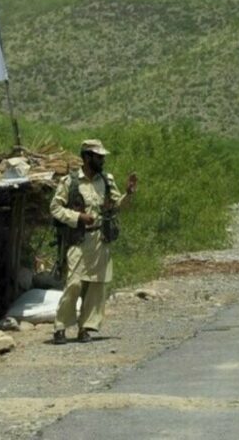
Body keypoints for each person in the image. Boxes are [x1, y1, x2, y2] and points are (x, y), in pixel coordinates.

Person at [51, 139, 138, 344]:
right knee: (73, 283)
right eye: (99, 157)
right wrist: (78, 218)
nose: (102, 160)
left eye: (103, 157)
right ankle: (61, 327)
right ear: (87, 157)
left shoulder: (106, 180)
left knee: (96, 286)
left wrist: (129, 194)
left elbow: (115, 207)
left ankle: (85, 328)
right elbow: (55, 208)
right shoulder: (70, 182)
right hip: (79, 238)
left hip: (101, 239)